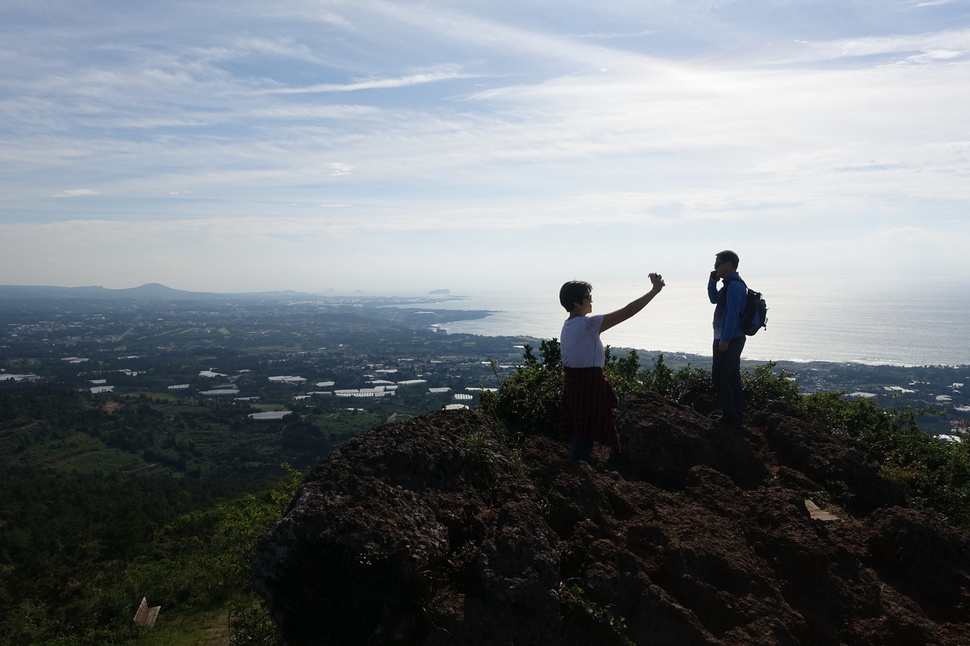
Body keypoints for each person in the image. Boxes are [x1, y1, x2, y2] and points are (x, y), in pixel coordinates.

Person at [559, 273, 665, 461]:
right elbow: (628, 311)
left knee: (580, 430)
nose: (591, 301)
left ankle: (576, 467)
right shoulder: (588, 324)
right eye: (588, 297)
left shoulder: (567, 325)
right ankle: (577, 471)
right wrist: (654, 291)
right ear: (577, 302)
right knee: (586, 433)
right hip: (589, 386)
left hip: (573, 385)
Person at [708, 250, 746, 427]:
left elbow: (732, 315)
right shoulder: (729, 284)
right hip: (728, 337)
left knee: (720, 377)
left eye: (718, 264)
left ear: (729, 264)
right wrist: (711, 283)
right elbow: (714, 299)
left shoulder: (734, 286)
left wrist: (725, 339)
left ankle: (730, 416)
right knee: (731, 376)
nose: (715, 267)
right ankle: (736, 412)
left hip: (729, 338)